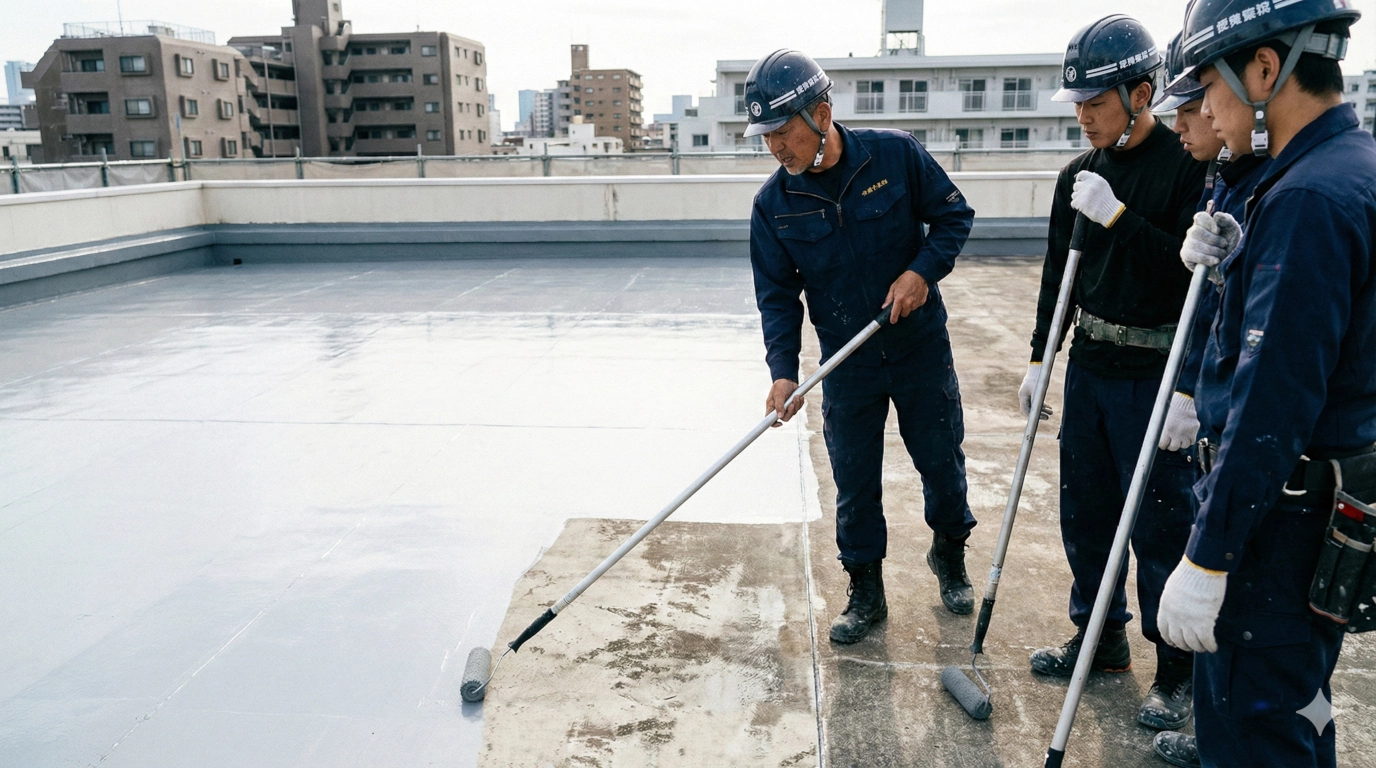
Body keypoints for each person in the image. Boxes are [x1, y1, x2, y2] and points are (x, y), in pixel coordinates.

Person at [1154, 0, 1375, 764]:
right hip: (1301, 512)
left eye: (1207, 87)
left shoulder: (1307, 200)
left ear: (1263, 69)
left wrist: (1209, 554)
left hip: (1277, 528)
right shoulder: (1321, 171)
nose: (1203, 109)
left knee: (1261, 733)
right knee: (1290, 712)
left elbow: (1272, 401)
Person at [745, 49, 978, 645]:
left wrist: (923, 272)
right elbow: (777, 298)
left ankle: (949, 553)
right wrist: (782, 372)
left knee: (942, 467)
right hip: (845, 362)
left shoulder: (895, 155)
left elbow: (954, 217)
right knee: (854, 482)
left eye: (784, 132)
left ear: (821, 114)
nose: (776, 149)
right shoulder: (774, 206)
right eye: (766, 137)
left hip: (919, 350)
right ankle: (865, 590)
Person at [1020, 14, 1207, 731]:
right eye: (1078, 105)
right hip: (1092, 368)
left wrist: (1121, 218)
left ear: (1142, 92)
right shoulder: (1079, 174)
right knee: (1088, 516)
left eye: (1097, 104)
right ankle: (1099, 640)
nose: (1085, 118)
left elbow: (1190, 274)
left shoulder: (1189, 165)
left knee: (1159, 524)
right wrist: (1042, 356)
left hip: (1155, 370)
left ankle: (1176, 670)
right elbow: (1054, 282)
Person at [1149, 29, 1272, 768]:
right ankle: (1216, 735)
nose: (1188, 124)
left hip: (1270, 468)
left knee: (1263, 668)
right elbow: (1219, 315)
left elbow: (1276, 368)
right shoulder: (1228, 174)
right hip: (1221, 424)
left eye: (1195, 106)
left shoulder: (1297, 188)